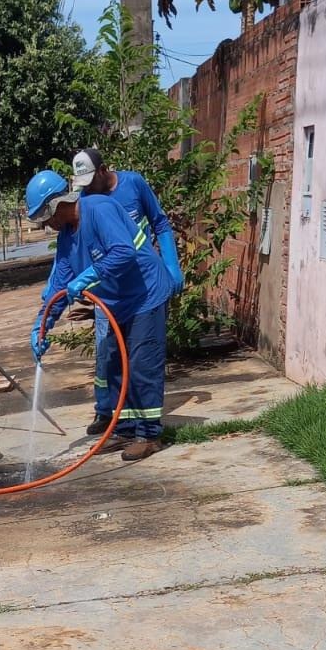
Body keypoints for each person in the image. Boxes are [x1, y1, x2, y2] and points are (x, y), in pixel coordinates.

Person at [26, 169, 174, 462]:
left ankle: (149, 435)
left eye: (45, 216)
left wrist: (90, 275)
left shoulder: (99, 209)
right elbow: (59, 285)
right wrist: (41, 325)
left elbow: (123, 252)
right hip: (116, 302)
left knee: (142, 365)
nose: (47, 224)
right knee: (115, 368)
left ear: (56, 205)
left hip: (145, 295)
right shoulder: (68, 237)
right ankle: (124, 429)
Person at [70, 148, 184, 436]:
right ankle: (110, 416)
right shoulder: (86, 200)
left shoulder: (133, 184)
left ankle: (145, 431)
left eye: (90, 182)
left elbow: (160, 223)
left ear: (103, 169)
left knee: (140, 361)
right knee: (110, 358)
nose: (86, 191)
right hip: (111, 293)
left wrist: (171, 264)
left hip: (142, 285)